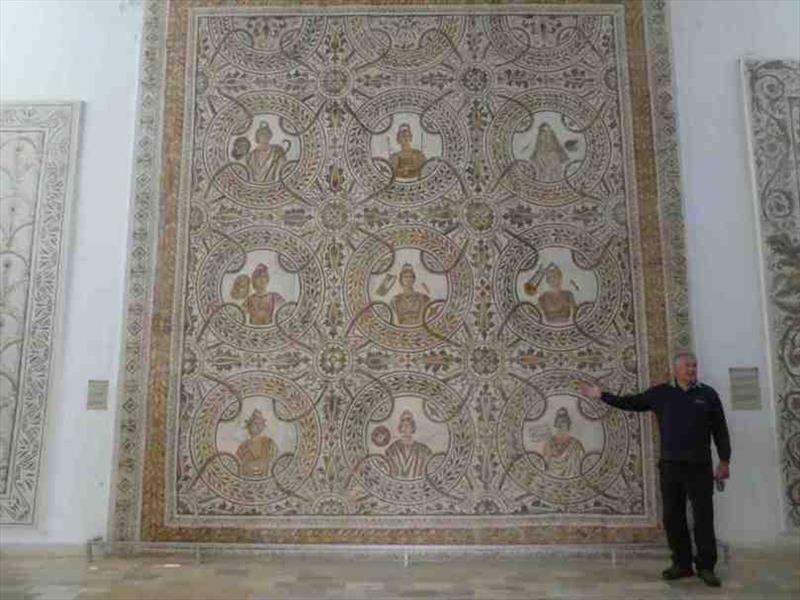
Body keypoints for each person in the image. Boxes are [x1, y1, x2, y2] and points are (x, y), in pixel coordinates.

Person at [579, 352, 731, 587]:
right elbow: (632, 402)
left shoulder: (708, 394)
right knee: (673, 517)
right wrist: (602, 395)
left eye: (694, 366)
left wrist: (724, 460)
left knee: (703, 518)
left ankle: (706, 567)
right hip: (670, 466)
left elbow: (720, 429)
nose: (692, 370)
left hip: (700, 467)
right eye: (687, 366)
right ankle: (681, 564)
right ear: (676, 369)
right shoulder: (661, 393)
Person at [384, 410, 433, 479]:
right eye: (402, 426)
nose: (405, 429)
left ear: (413, 428)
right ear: (399, 428)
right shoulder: (391, 450)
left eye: (408, 426)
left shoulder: (424, 450)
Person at [542, 407, 585, 477]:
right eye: (558, 423)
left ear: (568, 425)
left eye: (563, 422)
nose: (561, 425)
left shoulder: (576, 445)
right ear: (555, 425)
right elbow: (544, 464)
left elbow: (582, 465)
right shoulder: (549, 444)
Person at [235, 409, 278, 477]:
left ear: (263, 426)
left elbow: (276, 462)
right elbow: (237, 466)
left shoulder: (269, 443)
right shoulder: (243, 446)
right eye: (255, 423)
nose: (258, 426)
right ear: (249, 425)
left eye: (260, 423)